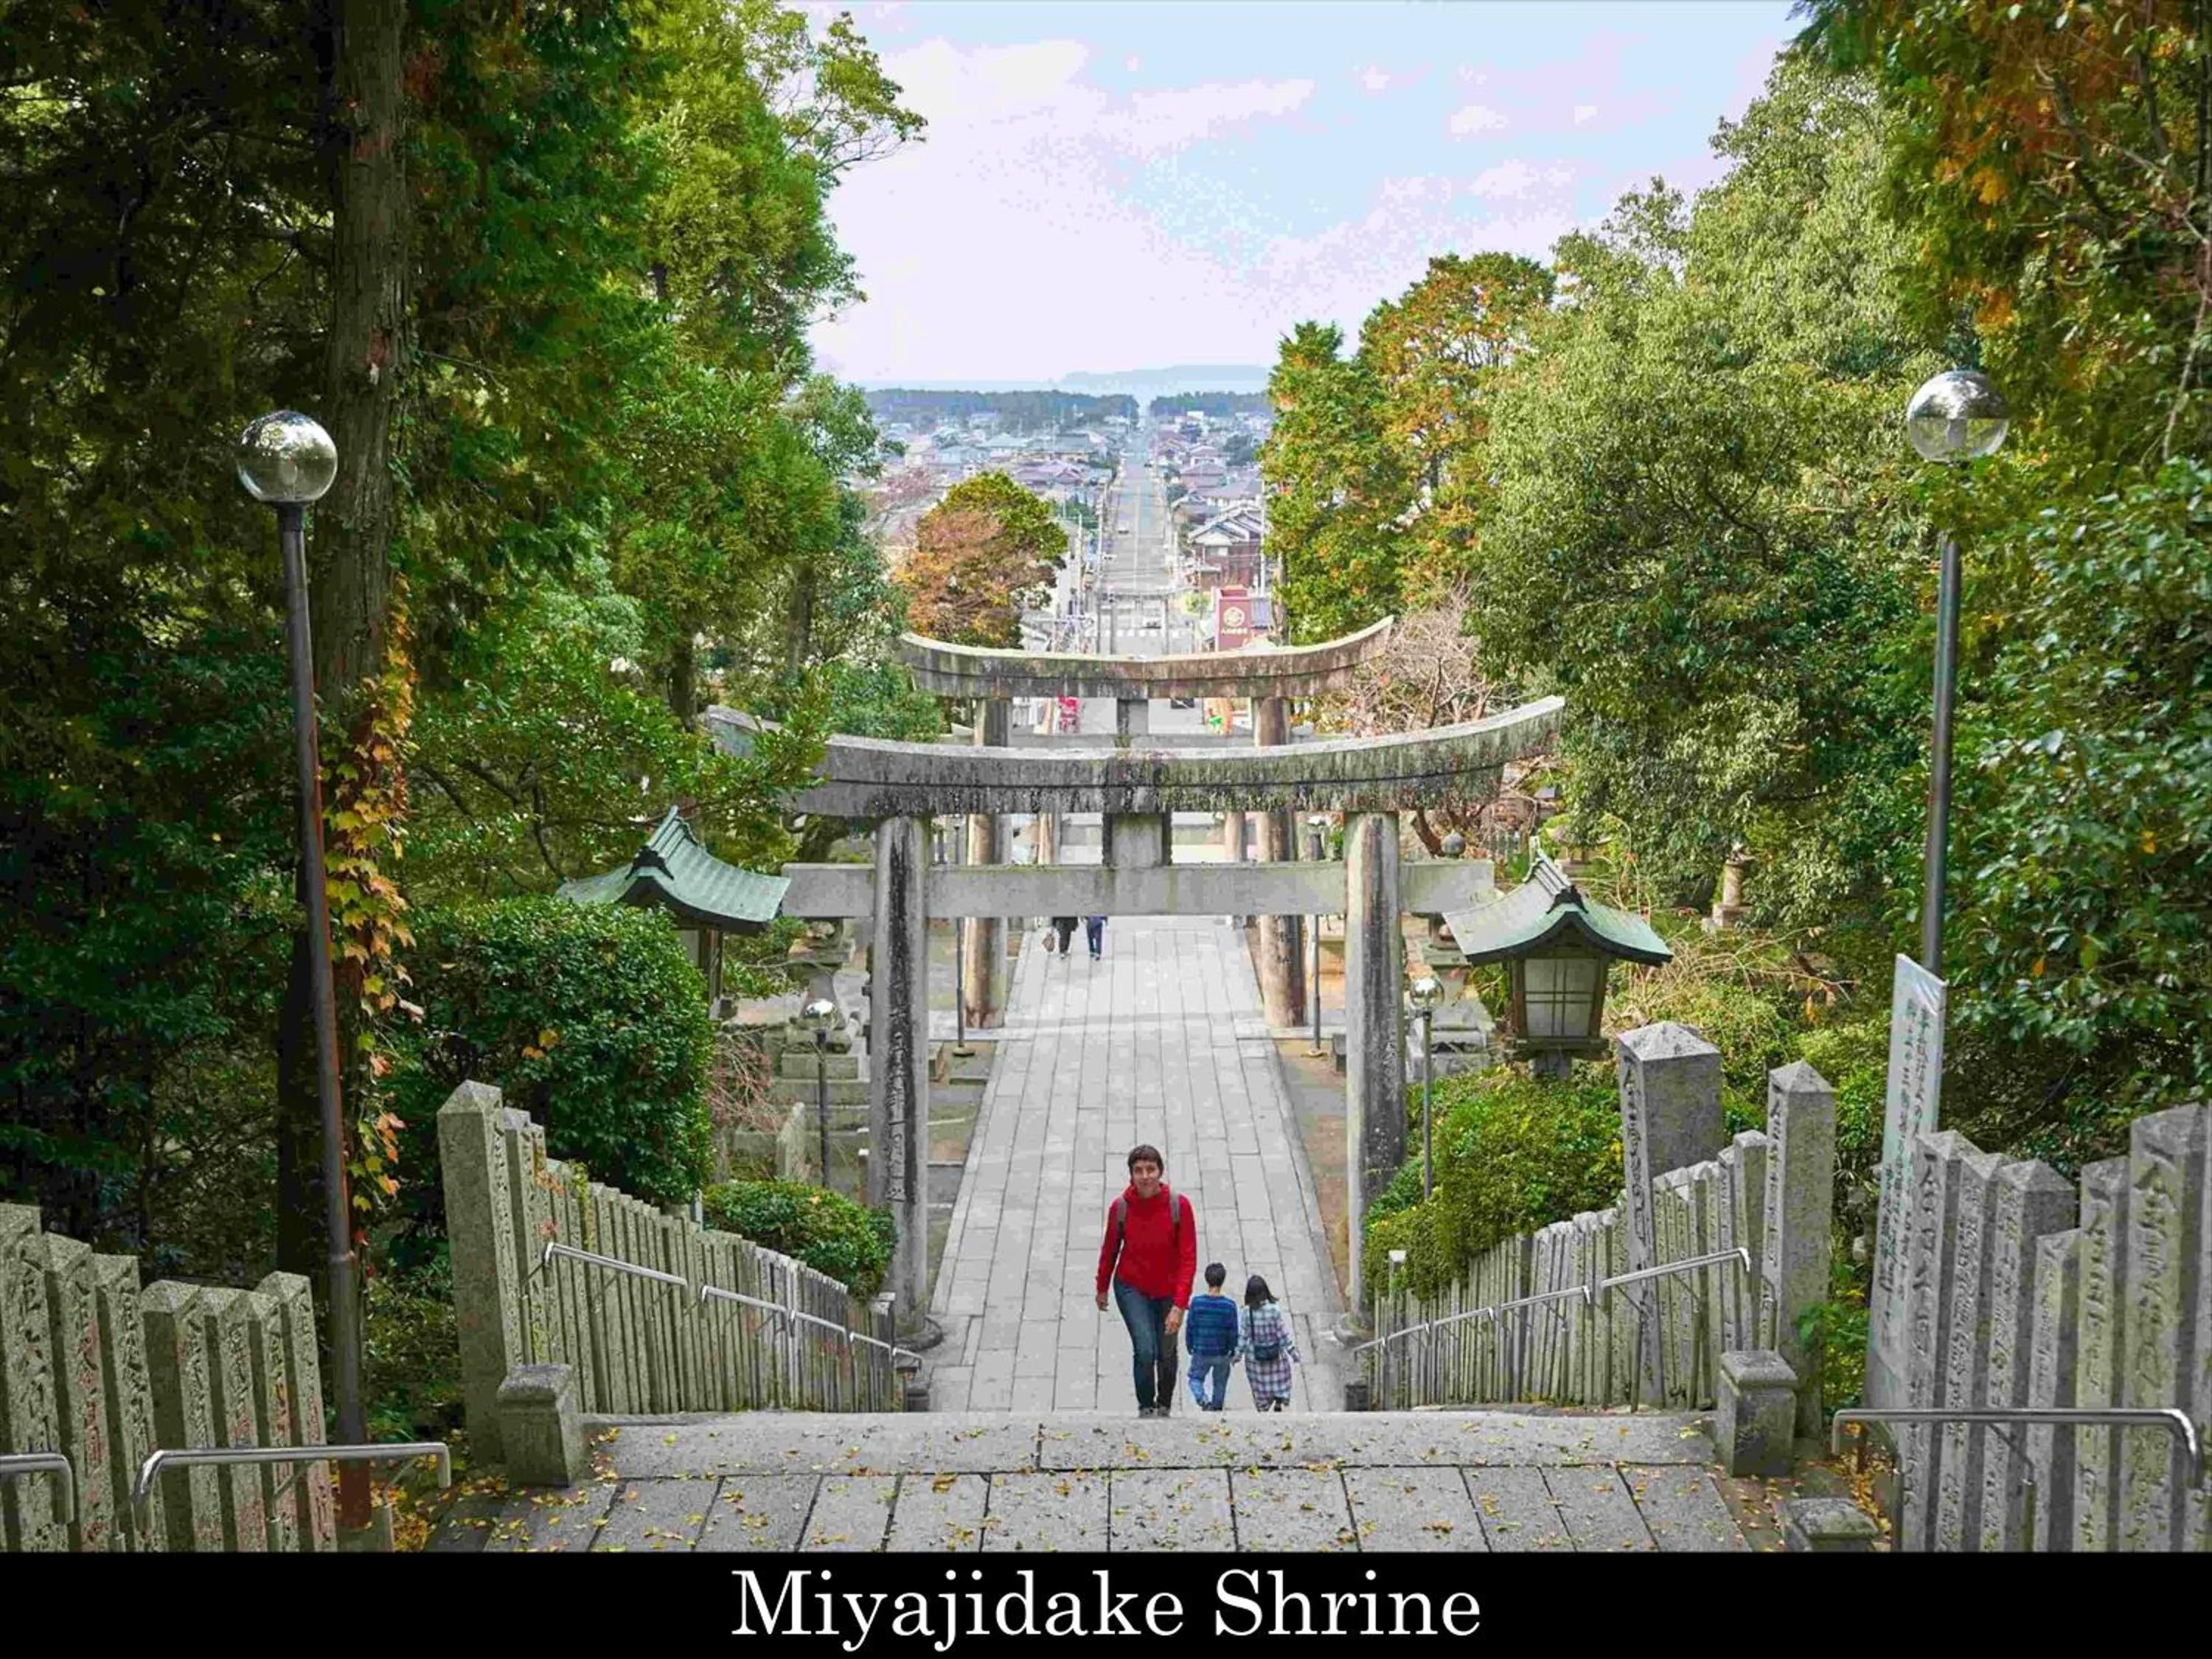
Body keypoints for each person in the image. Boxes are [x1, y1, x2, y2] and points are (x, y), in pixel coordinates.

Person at [1094, 1144, 1197, 1417]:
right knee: (1144, 1349)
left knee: (1166, 1350)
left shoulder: (1180, 1206)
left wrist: (1179, 1306)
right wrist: (1101, 1287)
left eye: (1151, 1169)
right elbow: (1110, 1250)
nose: (1145, 1176)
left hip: (1169, 1289)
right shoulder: (1121, 1208)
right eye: (1138, 1170)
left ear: (1160, 1172)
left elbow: (1189, 1258)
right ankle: (1146, 1407)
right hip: (1132, 1287)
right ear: (1131, 1175)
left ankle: (1164, 1405)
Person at [1183, 1262, 1240, 1412]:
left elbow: (1190, 1327)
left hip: (1201, 1350)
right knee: (1220, 1382)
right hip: (1221, 1352)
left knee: (1195, 1379)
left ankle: (1203, 1401)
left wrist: (1190, 1346)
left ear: (1206, 1279)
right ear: (1223, 1280)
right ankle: (1216, 1409)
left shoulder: (1197, 1303)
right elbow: (1233, 1332)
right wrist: (1232, 1350)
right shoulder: (1229, 1306)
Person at [1239, 1274, 1300, 1413]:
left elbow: (1243, 1337)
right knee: (1280, 1380)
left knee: (1260, 1386)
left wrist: (1237, 1355)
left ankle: (1263, 1407)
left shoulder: (1247, 1313)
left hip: (1256, 1359)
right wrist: (1293, 1352)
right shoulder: (1274, 1310)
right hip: (1275, 1355)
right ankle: (1279, 1400)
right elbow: (1282, 1334)